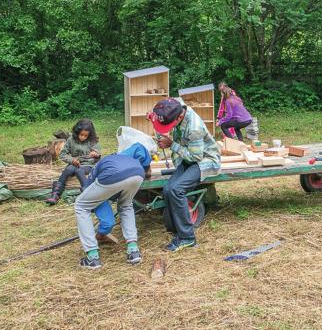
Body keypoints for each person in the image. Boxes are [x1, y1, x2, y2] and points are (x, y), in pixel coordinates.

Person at [148, 97, 221, 252]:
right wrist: (154, 117)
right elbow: (166, 107)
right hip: (187, 156)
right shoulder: (176, 105)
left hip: (204, 160)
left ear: (179, 117)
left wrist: (171, 144)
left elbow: (196, 157)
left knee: (177, 190)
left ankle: (188, 238)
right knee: (168, 189)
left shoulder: (194, 128)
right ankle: (176, 228)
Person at [74, 143, 151, 269]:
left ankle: (92, 257)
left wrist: (103, 229)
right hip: (138, 173)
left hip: (113, 174)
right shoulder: (125, 155)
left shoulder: (98, 167)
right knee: (126, 205)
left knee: (81, 206)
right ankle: (133, 251)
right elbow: (141, 148)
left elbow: (92, 196)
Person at [46, 119, 101, 205]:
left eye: (85, 136)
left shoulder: (93, 141)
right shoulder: (71, 139)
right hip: (74, 163)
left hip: (88, 165)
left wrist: (96, 155)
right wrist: (71, 160)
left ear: (90, 135)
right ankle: (55, 194)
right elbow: (62, 154)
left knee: (79, 170)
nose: (83, 137)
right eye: (81, 135)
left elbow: (98, 157)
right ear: (77, 132)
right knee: (69, 169)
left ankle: (88, 195)